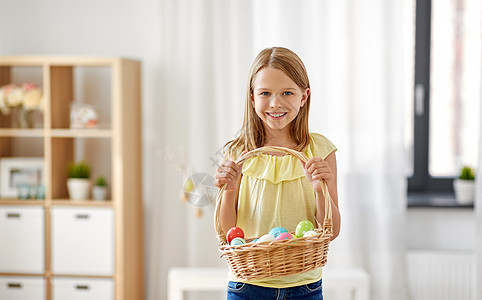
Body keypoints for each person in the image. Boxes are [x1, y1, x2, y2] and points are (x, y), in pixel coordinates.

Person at [214, 47, 341, 300]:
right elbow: (226, 233)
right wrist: (228, 191)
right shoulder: (238, 152)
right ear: (252, 98)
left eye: (287, 93)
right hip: (247, 286)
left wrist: (319, 189)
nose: (276, 103)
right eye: (265, 93)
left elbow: (332, 230)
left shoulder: (320, 151)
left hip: (304, 287)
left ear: (304, 97)